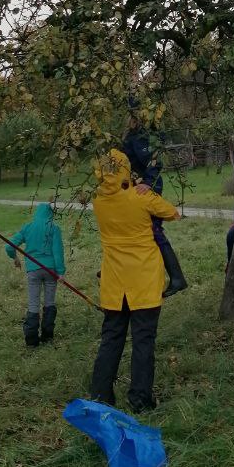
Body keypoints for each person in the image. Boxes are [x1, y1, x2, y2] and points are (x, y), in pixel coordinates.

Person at [90, 149, 181, 412]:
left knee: (111, 340)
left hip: (114, 285)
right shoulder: (140, 197)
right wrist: (143, 187)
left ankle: (100, 396)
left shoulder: (98, 200)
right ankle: (140, 400)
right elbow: (171, 213)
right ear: (125, 169)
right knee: (143, 341)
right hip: (143, 282)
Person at [122, 115, 187, 297]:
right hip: (137, 188)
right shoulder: (136, 135)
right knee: (138, 230)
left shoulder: (143, 136)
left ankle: (176, 277)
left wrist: (148, 182)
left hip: (146, 190)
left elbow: (153, 159)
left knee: (153, 232)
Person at [5, 203, 66, 348]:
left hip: (33, 271)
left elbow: (9, 246)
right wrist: (61, 272)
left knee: (33, 304)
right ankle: (47, 337)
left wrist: (15, 258)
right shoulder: (54, 228)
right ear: (50, 215)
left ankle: (32, 341)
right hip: (51, 271)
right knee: (49, 303)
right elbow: (58, 251)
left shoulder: (28, 228)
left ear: (37, 214)